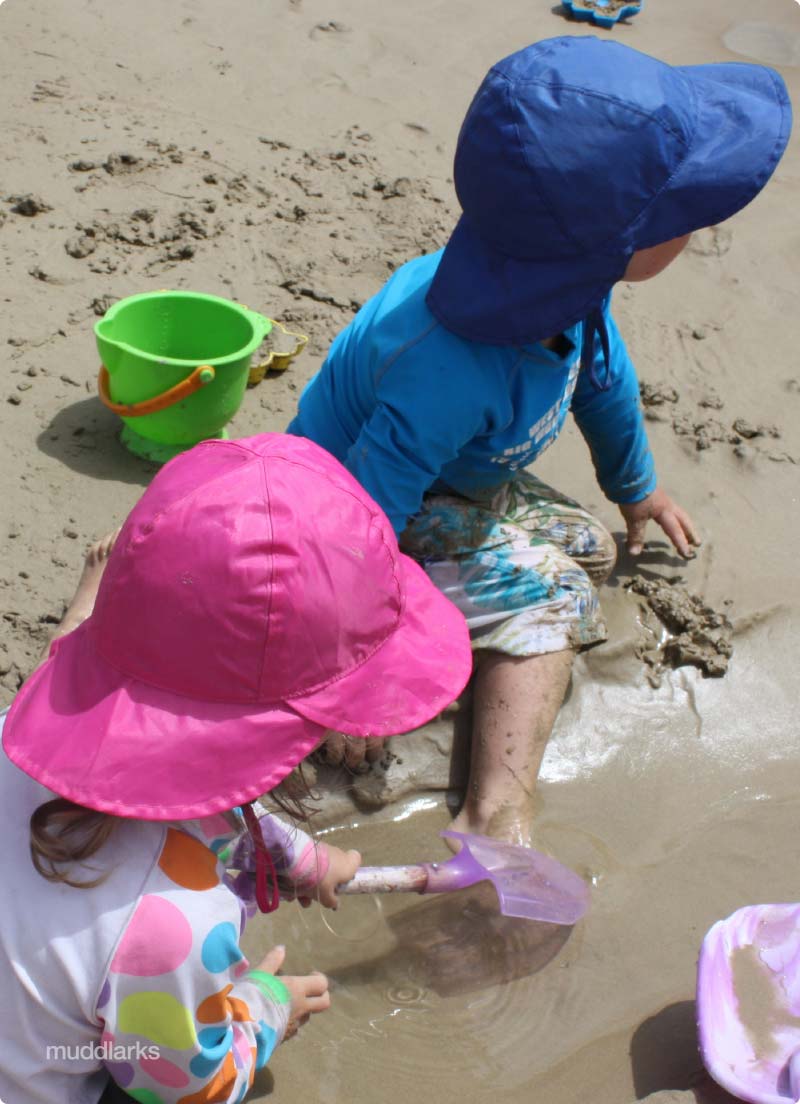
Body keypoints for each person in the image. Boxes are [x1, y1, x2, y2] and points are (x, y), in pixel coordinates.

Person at [287, 35, 792, 846]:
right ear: (608, 243)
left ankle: (470, 639)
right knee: (557, 589)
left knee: (588, 547)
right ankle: (493, 813)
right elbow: (359, 521)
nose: (697, 229)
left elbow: (604, 383)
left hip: (446, 483)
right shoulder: (446, 367)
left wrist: (636, 489)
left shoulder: (561, 286)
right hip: (336, 507)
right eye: (680, 215)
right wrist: (349, 669)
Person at [0, 433, 471, 1104]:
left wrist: (296, 857)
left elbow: (183, 799)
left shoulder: (19, 730)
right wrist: (263, 1008)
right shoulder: (170, 926)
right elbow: (190, 1084)